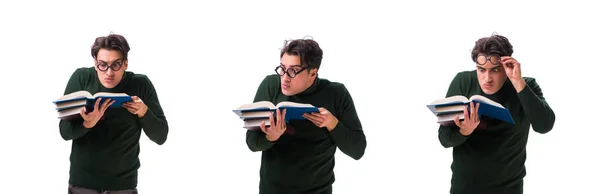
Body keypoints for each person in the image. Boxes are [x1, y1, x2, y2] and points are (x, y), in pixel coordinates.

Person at [246, 38, 367, 194]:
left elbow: (358, 151)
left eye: (293, 70)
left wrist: (333, 124)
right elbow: (252, 142)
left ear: (313, 73)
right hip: (273, 190)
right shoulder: (270, 86)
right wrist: (271, 137)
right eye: (282, 68)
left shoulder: (336, 94)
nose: (285, 77)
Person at [438, 34, 556, 194]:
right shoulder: (463, 82)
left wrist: (518, 82)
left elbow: (544, 126)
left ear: (507, 66)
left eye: (495, 70)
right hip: (465, 187)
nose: (487, 78)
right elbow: (444, 139)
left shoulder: (526, 85)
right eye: (481, 70)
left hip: (509, 188)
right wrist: (464, 131)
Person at [59, 33, 169, 194]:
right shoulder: (82, 78)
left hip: (123, 185)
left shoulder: (141, 84)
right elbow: (64, 132)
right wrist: (87, 124)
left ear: (126, 64)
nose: (109, 72)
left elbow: (160, 136)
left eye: (116, 64)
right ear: (95, 64)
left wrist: (144, 112)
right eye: (102, 65)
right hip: (83, 183)